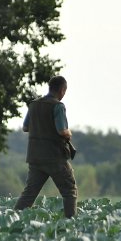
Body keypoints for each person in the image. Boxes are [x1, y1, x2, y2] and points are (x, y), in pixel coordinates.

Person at [15, 75, 78, 218]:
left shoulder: (33, 105)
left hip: (35, 157)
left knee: (29, 194)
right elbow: (62, 130)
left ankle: (12, 220)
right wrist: (69, 133)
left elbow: (25, 128)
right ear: (62, 90)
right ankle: (71, 223)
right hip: (55, 157)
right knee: (70, 191)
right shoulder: (58, 106)